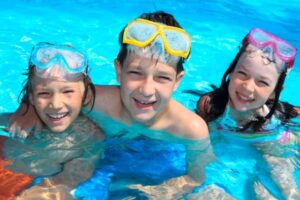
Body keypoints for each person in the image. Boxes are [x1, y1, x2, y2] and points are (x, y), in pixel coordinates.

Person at [9, 11, 212, 199]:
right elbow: (52, 91)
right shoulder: (95, 99)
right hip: (99, 154)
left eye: (162, 78)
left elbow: (196, 178)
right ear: (118, 70)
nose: (147, 90)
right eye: (135, 73)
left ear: (177, 81)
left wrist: (156, 192)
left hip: (156, 158)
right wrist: (28, 110)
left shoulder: (191, 130)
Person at [195, 28, 299, 199]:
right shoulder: (211, 106)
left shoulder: (277, 113)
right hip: (246, 142)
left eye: (262, 82)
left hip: (274, 140)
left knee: (283, 178)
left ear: (275, 91)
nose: (248, 87)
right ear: (231, 71)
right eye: (242, 74)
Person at [0, 42, 104, 199]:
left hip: (30, 187)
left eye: (67, 91)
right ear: (32, 97)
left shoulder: (89, 136)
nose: (55, 104)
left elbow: (71, 178)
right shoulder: (17, 121)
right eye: (44, 93)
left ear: (86, 95)